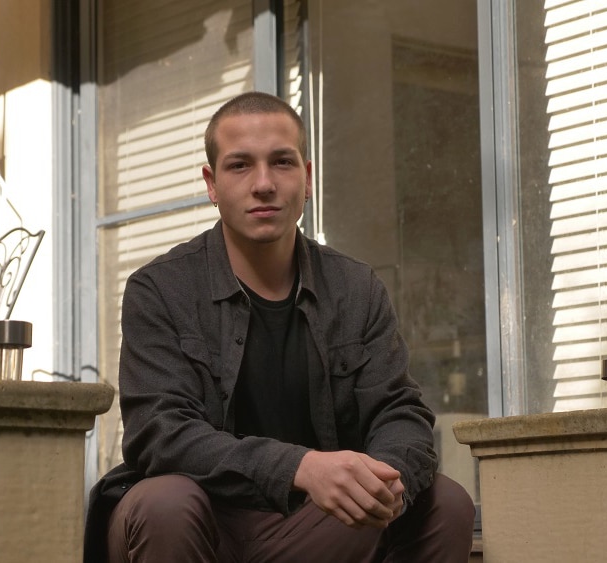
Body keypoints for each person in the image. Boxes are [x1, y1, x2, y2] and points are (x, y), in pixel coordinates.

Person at [84, 91, 476, 562]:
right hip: (201, 521)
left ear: (307, 178)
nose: (264, 183)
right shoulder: (160, 289)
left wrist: (387, 478)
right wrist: (300, 467)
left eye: (282, 162)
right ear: (212, 184)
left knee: (443, 502)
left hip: (311, 525)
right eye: (240, 165)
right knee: (165, 502)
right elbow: (160, 434)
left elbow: (398, 411)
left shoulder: (355, 288)